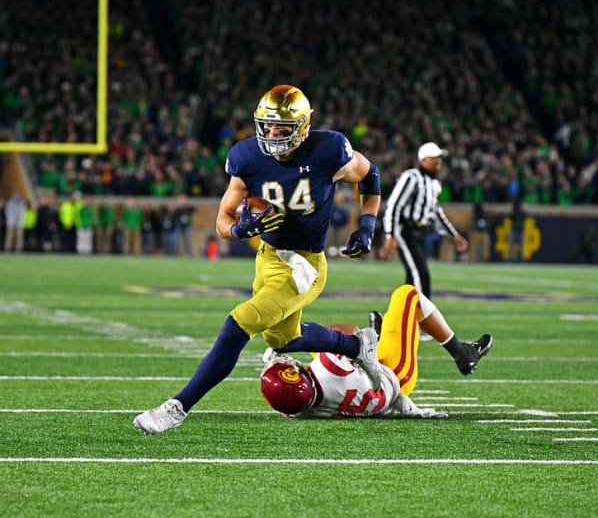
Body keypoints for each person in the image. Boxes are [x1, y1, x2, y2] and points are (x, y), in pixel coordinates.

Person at [134, 84, 382, 434]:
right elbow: (223, 219)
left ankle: (177, 407)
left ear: (304, 125)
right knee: (283, 341)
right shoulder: (247, 157)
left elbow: (370, 175)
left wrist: (367, 226)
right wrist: (241, 229)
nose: (273, 134)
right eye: (267, 126)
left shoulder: (329, 150)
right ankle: (358, 344)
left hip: (304, 265)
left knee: (240, 322)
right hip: (267, 258)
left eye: (282, 128)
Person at [260, 284, 493, 418]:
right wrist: (297, 337)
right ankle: (462, 353)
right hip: (395, 376)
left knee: (339, 349)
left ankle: (377, 339)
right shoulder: (329, 365)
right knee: (407, 295)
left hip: (362, 387)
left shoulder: (295, 409)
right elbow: (351, 334)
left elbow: (286, 397)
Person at [380, 142, 468, 299]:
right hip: (405, 230)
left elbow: (436, 211)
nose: (439, 161)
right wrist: (390, 234)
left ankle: (406, 318)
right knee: (420, 275)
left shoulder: (433, 183)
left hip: (420, 232)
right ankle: (424, 320)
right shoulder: (411, 177)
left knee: (414, 277)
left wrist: (453, 235)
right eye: (435, 158)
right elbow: (394, 205)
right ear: (424, 160)